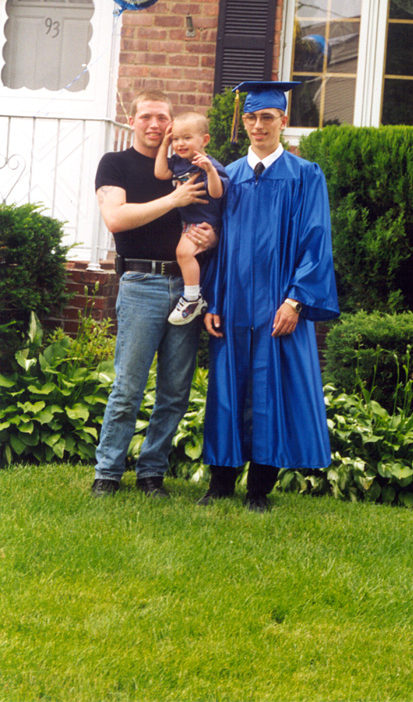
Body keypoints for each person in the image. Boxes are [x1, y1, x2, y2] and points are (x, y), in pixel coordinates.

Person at [201, 81, 340, 512]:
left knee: (273, 390)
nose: (258, 126)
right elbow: (214, 246)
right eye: (251, 117)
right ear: (242, 122)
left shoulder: (305, 176)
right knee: (227, 389)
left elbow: (316, 242)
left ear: (283, 121)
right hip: (235, 301)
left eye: (266, 118)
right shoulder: (227, 178)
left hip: (280, 306)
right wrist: (213, 302)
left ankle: (259, 488)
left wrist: (296, 301)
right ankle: (221, 483)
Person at [91, 90, 218, 498]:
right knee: (128, 386)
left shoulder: (192, 164)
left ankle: (151, 473)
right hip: (141, 284)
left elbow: (218, 212)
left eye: (162, 118)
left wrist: (213, 237)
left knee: (175, 391)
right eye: (146, 116)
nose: (154, 125)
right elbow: (116, 218)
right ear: (133, 120)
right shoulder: (116, 164)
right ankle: (107, 472)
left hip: (187, 287)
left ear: (171, 123)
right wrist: (174, 199)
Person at [154, 111, 229, 325]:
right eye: (176, 138)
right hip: (188, 221)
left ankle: (193, 298)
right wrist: (164, 145)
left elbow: (217, 193)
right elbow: (161, 173)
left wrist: (210, 171)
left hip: (203, 222)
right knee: (184, 254)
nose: (180, 143)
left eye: (186, 138)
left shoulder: (208, 164)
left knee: (183, 253)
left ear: (204, 140)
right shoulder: (179, 162)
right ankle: (193, 296)